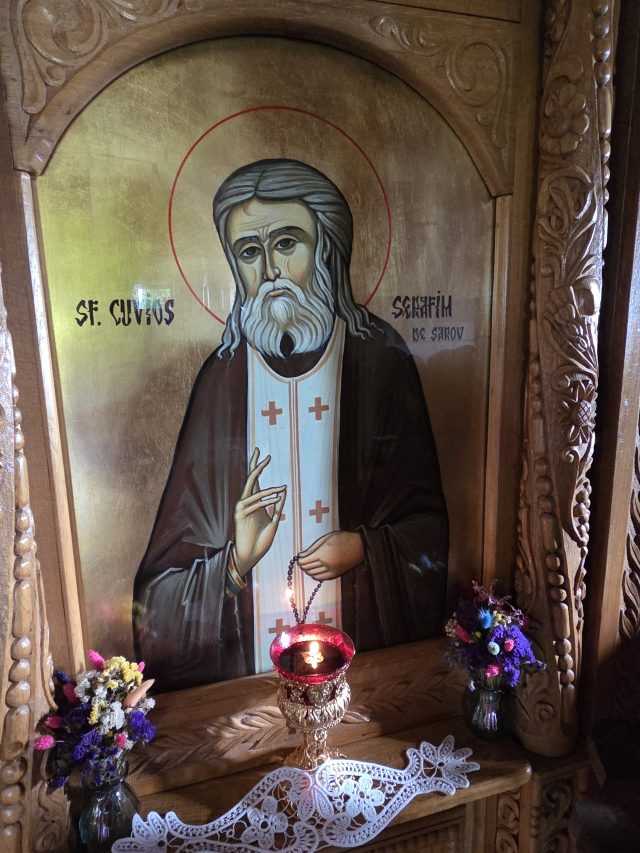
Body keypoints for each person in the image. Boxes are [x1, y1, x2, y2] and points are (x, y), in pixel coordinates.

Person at [133, 159, 448, 691]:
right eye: (249, 252)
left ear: (327, 249)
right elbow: (158, 593)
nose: (270, 271)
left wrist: (364, 550)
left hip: (368, 677)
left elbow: (429, 530)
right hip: (246, 680)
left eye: (286, 243)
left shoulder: (379, 361)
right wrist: (236, 562)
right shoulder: (222, 380)